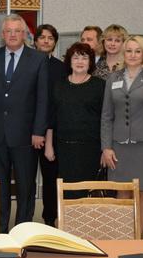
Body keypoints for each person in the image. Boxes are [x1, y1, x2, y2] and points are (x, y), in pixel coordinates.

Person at [0, 14, 49, 233]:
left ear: (25, 34)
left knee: (25, 186)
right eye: (8, 31)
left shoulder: (38, 59)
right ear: (2, 34)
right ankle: (0, 229)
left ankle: (23, 229)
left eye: (17, 31)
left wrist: (39, 131)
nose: (12, 35)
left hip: (26, 135)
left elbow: (43, 98)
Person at [100, 35, 143, 237]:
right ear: (123, 53)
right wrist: (106, 147)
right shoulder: (114, 78)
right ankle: (123, 236)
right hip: (118, 146)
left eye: (137, 51)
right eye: (129, 50)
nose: (132, 55)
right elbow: (106, 116)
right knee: (122, 192)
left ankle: (137, 238)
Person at [44, 42, 105, 193]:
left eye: (84, 58)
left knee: (89, 192)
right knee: (67, 192)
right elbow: (51, 118)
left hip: (92, 148)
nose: (80, 62)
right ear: (69, 61)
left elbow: (106, 120)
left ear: (90, 62)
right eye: (76, 57)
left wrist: (105, 149)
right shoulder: (59, 85)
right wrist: (48, 145)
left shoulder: (100, 85)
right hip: (64, 148)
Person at [34, 24, 67, 226]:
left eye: (50, 38)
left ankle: (49, 219)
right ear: (35, 40)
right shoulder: (26, 63)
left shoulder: (61, 68)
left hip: (51, 132)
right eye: (42, 37)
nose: (46, 41)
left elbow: (56, 103)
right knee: (25, 179)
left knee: (50, 178)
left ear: (55, 42)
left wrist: (48, 136)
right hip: (27, 131)